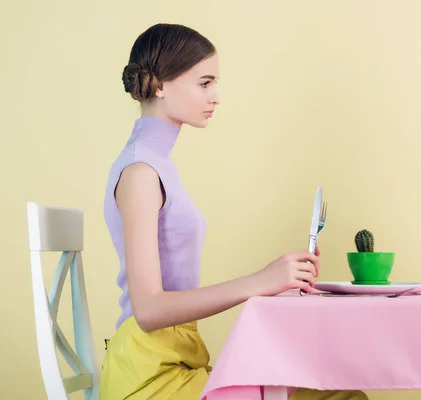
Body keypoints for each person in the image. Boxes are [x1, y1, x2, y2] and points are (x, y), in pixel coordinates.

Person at [98, 23, 368, 400]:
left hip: (174, 361)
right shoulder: (141, 172)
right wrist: (260, 281)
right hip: (150, 379)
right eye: (204, 83)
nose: (216, 96)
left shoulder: (154, 163)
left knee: (335, 391)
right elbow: (148, 310)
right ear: (160, 85)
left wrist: (279, 280)